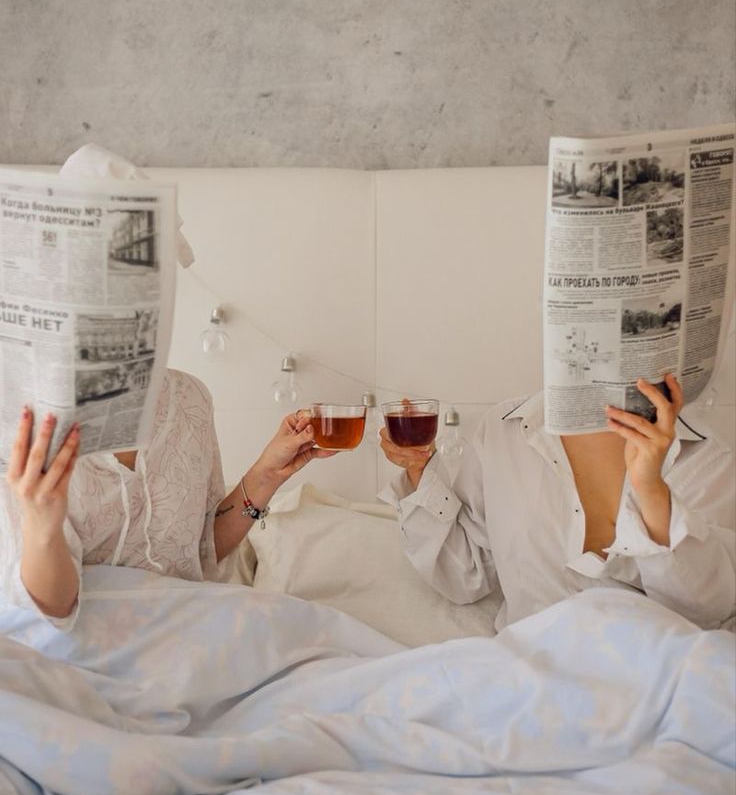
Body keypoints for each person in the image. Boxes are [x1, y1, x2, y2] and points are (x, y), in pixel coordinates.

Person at [0, 146, 336, 631]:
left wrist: (266, 474)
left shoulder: (190, 401)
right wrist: (41, 525)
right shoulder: (17, 420)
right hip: (74, 653)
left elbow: (202, 552)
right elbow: (52, 608)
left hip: (185, 638)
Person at [379, 374, 736, 631]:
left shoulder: (708, 458)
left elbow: (705, 613)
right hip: (526, 678)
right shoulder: (505, 431)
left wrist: (652, 491)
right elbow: (466, 577)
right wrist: (419, 471)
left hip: (652, 684)